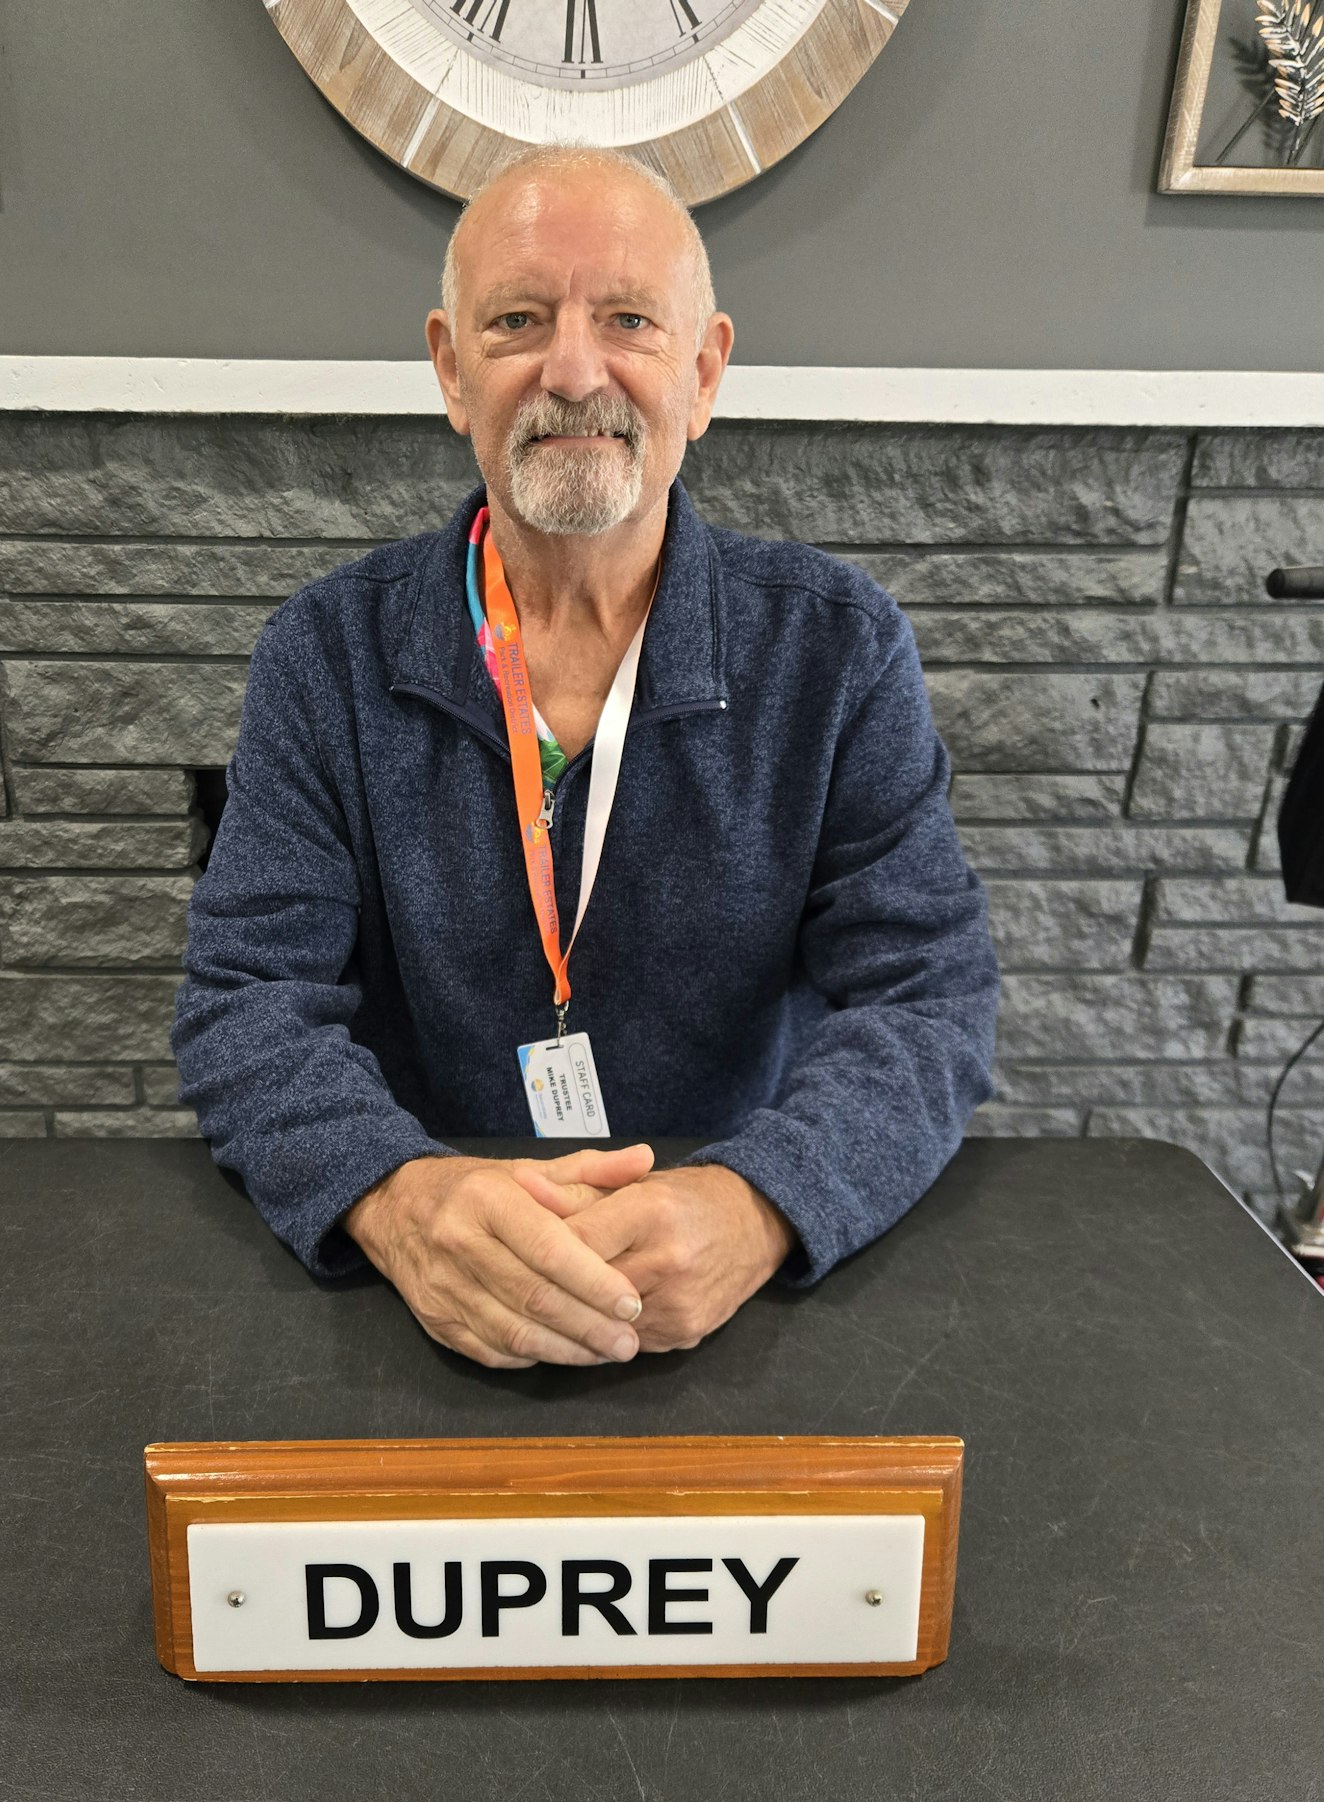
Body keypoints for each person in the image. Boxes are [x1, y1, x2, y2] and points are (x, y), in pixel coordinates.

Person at [171, 146, 999, 1371]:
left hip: (729, 1268)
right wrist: (397, 1198)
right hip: (423, 1271)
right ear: (452, 370)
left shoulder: (837, 648)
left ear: (704, 371)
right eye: (517, 320)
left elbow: (929, 996)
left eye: (626, 319)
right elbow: (245, 999)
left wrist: (764, 1200)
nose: (571, 369)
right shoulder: (325, 651)